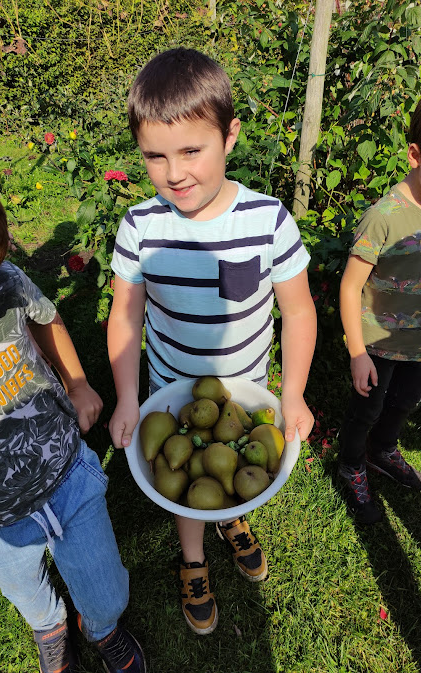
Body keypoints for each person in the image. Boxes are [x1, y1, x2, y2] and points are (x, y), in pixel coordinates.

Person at [107, 47, 317, 635]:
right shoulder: (141, 226)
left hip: (247, 392)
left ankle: (232, 517)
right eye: (154, 156)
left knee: (228, 472)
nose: (174, 173)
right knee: (184, 487)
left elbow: (298, 309)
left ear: (230, 137)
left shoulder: (267, 220)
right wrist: (128, 398)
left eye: (191, 151)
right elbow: (124, 314)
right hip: (171, 391)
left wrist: (293, 393)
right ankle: (194, 560)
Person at [0, 147, 145, 673]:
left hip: (64, 472)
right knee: (25, 588)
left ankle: (101, 626)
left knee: (105, 590)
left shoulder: (2, 282)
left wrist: (78, 383)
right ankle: (51, 626)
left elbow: (45, 318)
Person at [338, 80, 421, 526]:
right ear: (415, 155)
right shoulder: (383, 218)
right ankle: (351, 465)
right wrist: (356, 352)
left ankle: (384, 451)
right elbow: (350, 288)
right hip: (376, 345)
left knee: (406, 401)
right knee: (366, 407)